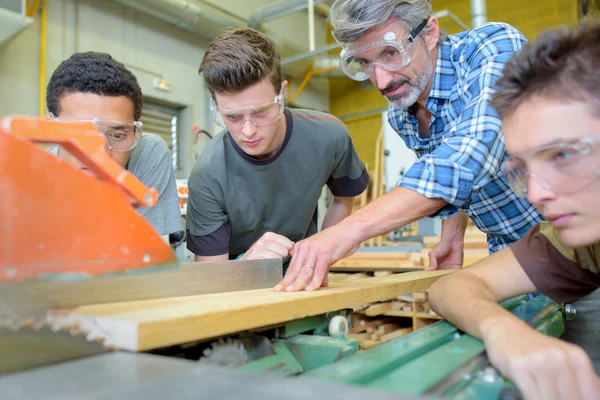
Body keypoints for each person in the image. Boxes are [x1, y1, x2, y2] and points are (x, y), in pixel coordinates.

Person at [275, 0, 542, 292]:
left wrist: (348, 231)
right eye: (365, 63)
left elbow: (471, 155)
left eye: (391, 53)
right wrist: (452, 234)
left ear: (429, 32)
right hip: (509, 255)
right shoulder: (402, 115)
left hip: (575, 248)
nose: (381, 81)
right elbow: (456, 173)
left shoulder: (493, 47)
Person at [428, 20, 600, 398]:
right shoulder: (584, 242)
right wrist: (504, 329)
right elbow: (451, 287)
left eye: (562, 154)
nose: (536, 194)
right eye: (524, 169)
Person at [185, 27, 368, 270]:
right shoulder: (208, 174)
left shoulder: (329, 136)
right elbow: (211, 278)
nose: (248, 131)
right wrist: (246, 265)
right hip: (237, 281)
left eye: (260, 112)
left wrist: (319, 253)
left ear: (282, 93)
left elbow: (344, 198)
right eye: (233, 117)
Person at [46, 51, 183, 238]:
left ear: (135, 133)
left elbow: (144, 254)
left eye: (117, 135)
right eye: (79, 134)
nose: (98, 155)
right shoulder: (27, 179)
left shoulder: (147, 154)